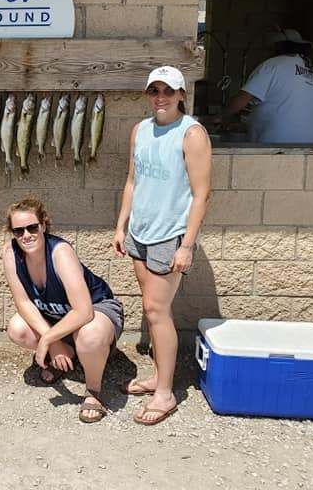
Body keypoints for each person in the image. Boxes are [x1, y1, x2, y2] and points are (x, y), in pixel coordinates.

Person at [113, 65, 212, 426]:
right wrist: (121, 225)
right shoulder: (140, 130)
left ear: (182, 95)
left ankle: (166, 393)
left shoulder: (192, 133)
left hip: (170, 236)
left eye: (168, 91)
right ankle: (158, 376)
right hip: (140, 232)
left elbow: (201, 194)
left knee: (156, 310)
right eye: (154, 90)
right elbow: (132, 181)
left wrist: (186, 246)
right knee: (153, 309)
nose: (161, 97)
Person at [2, 197, 124, 423]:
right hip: (58, 317)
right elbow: (24, 303)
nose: (26, 235)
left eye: (32, 227)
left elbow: (84, 311)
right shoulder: (11, 253)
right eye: (18, 231)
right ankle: (68, 354)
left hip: (96, 309)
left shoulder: (60, 252)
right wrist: (55, 342)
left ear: (43, 225)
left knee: (90, 335)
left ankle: (93, 390)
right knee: (17, 329)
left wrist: (48, 339)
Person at [218, 29, 313, 144]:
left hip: (278, 143)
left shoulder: (273, 65)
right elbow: (291, 110)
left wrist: (220, 116)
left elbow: (242, 98)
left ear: (278, 46)